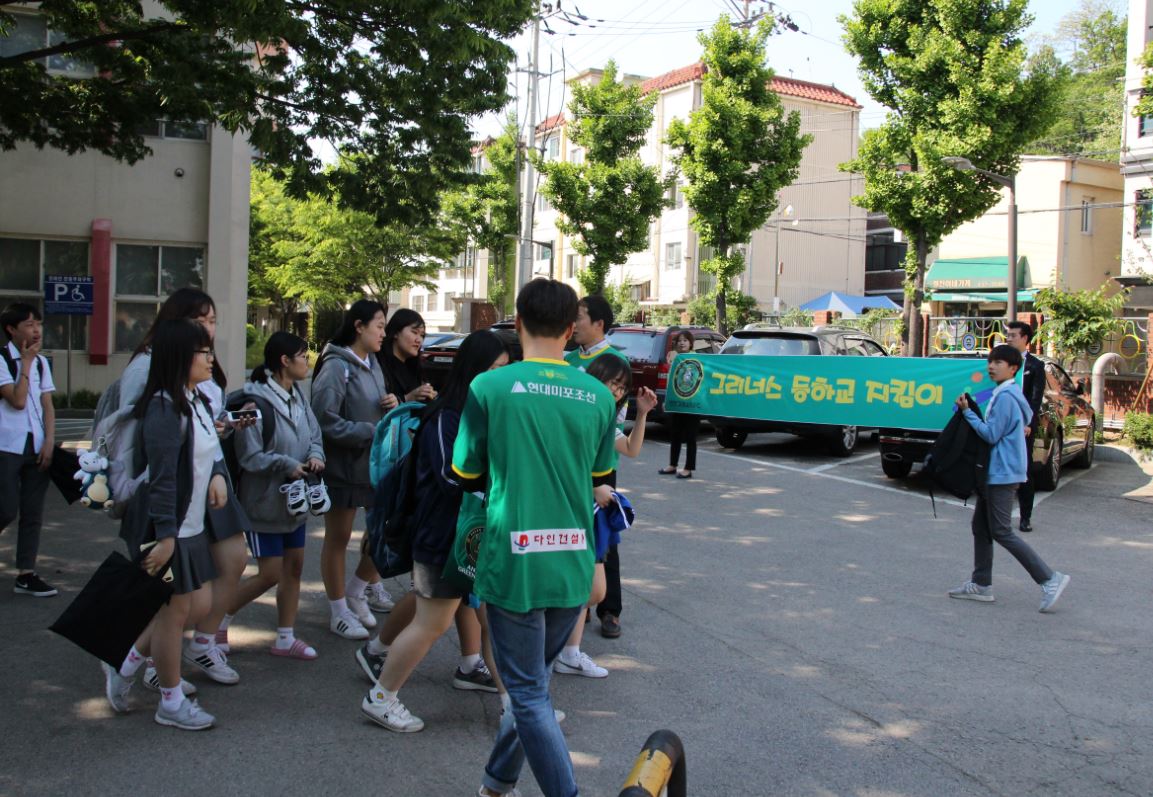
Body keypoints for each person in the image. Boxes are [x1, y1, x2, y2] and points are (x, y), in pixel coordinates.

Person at [453, 279, 618, 797]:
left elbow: (464, 471)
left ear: (517, 323)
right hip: (572, 562)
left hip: (514, 560)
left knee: (525, 693)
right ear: (572, 331)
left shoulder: (489, 388)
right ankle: (497, 783)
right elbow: (601, 478)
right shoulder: (596, 393)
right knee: (533, 688)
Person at [359, 330, 509, 732]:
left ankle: (516, 707)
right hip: (442, 538)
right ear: (474, 370)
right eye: (495, 370)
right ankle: (381, 697)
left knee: (495, 621)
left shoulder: (477, 413)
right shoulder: (447, 416)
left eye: (504, 371)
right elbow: (450, 477)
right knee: (432, 623)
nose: (500, 379)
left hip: (473, 538)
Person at [118, 289, 249, 686]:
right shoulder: (153, 376)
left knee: (218, 576)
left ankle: (176, 652)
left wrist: (214, 463)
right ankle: (159, 674)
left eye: (211, 321)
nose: (209, 331)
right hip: (171, 500)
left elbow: (199, 428)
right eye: (200, 321)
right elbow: (151, 448)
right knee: (177, 602)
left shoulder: (197, 374)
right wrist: (163, 529)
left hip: (205, 487)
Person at [102, 319, 228, 729]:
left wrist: (216, 476)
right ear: (180, 357)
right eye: (203, 352)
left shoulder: (198, 400)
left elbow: (203, 452)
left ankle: (124, 664)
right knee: (174, 614)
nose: (211, 359)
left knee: (195, 607)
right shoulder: (162, 407)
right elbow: (162, 478)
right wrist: (166, 537)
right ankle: (170, 702)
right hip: (166, 525)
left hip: (189, 525)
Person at [552, 353, 657, 680]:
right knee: (584, 588)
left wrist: (641, 415)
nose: (616, 392)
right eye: (612, 383)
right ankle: (550, 651)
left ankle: (568, 652)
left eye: (621, 387)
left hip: (592, 513)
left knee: (594, 589)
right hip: (565, 509)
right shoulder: (571, 414)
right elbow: (559, 465)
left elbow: (631, 448)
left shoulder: (605, 418)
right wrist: (593, 488)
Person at [221, 332, 325, 660]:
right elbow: (249, 458)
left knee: (293, 568)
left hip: (294, 502)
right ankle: (216, 623)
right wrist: (286, 463)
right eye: (303, 355)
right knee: (269, 574)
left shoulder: (298, 397)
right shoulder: (256, 403)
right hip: (263, 503)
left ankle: (285, 637)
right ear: (284, 361)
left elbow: (314, 434)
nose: (307, 360)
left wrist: (315, 455)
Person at [948, 344, 1070, 613]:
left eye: (998, 362)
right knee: (981, 527)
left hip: (1002, 472)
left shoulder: (1005, 397)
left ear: (1013, 368)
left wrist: (968, 412)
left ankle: (1049, 579)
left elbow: (991, 434)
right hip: (998, 470)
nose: (992, 366)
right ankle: (981, 584)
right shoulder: (1006, 393)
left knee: (1001, 530)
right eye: (991, 362)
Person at [311, 299, 396, 639]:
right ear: (358, 326)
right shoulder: (335, 366)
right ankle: (338, 611)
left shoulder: (372, 362)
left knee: (383, 532)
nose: (384, 333)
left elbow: (370, 405)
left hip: (372, 466)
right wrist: (368, 431)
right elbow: (323, 420)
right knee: (338, 538)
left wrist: (390, 402)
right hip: (343, 468)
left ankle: (356, 590)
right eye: (379, 326)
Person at [565, 294, 630, 642]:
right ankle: (580, 604)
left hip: (601, 465)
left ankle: (610, 609)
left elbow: (618, 417)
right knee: (573, 531)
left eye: (580, 318)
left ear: (599, 324)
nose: (574, 325)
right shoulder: (568, 358)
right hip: (569, 461)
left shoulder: (616, 360)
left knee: (605, 534)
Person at [0, 303, 57, 597]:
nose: (36, 331)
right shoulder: (2, 360)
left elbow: (47, 403)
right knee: (7, 508)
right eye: (29, 325)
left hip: (36, 445)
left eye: (38, 324)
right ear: (12, 329)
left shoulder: (42, 363)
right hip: (6, 446)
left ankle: (26, 573)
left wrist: (49, 440)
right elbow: (18, 401)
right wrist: (24, 363)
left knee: (33, 512)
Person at [1005, 321, 1045, 532]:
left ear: (1024, 339)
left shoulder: (1035, 366)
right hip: (1002, 424)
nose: (1009, 338)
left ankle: (1025, 517)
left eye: (1013, 335)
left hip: (1022, 426)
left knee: (1024, 470)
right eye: (1008, 335)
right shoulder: (999, 361)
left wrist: (1028, 422)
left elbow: (1035, 398)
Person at [376, 308, 437, 406]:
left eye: (422, 335)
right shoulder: (378, 365)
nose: (419, 340)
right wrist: (406, 398)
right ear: (396, 332)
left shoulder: (414, 368)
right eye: (414, 332)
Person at [659, 330, 699, 480]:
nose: (682, 343)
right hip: (677, 402)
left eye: (685, 340)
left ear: (690, 343)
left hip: (693, 404)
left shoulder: (697, 359)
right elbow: (670, 382)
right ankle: (672, 465)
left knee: (691, 437)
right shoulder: (674, 358)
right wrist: (667, 401)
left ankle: (688, 468)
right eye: (679, 340)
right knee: (675, 434)